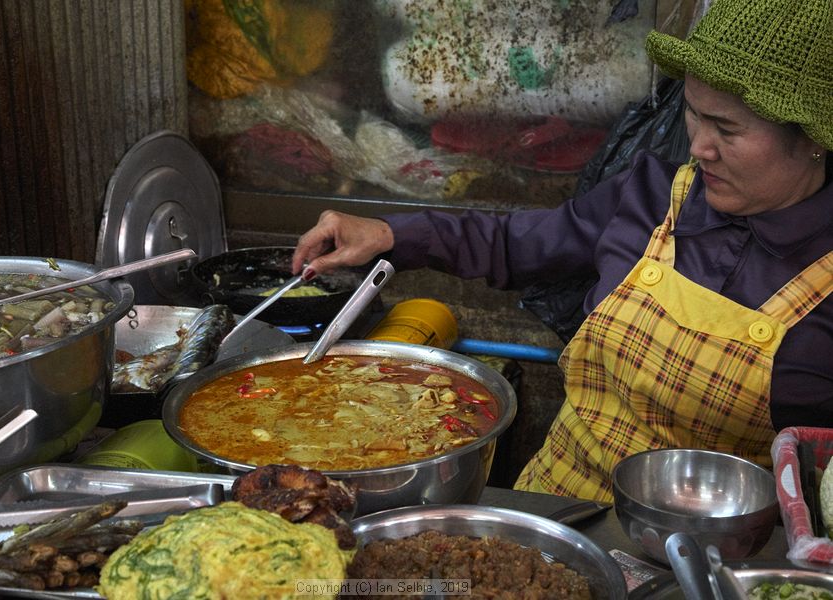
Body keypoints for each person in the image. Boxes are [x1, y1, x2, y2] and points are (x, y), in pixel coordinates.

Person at [290, 0, 833, 502]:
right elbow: (514, 244)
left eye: (727, 129)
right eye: (694, 113)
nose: (697, 146)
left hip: (715, 556)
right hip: (555, 505)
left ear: (812, 137)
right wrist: (390, 235)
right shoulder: (650, 196)